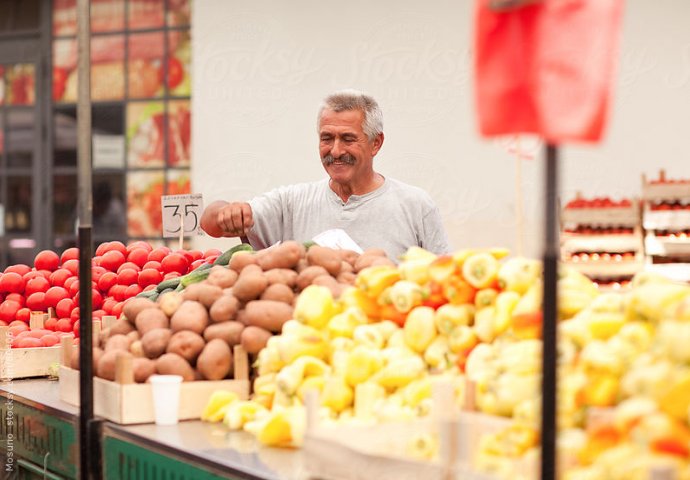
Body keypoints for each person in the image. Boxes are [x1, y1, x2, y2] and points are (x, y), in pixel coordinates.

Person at [200, 89, 450, 261]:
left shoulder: (416, 205)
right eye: (327, 138)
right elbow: (210, 223)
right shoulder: (292, 202)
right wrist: (226, 210)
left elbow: (445, 275)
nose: (336, 150)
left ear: (376, 143)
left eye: (348, 139)